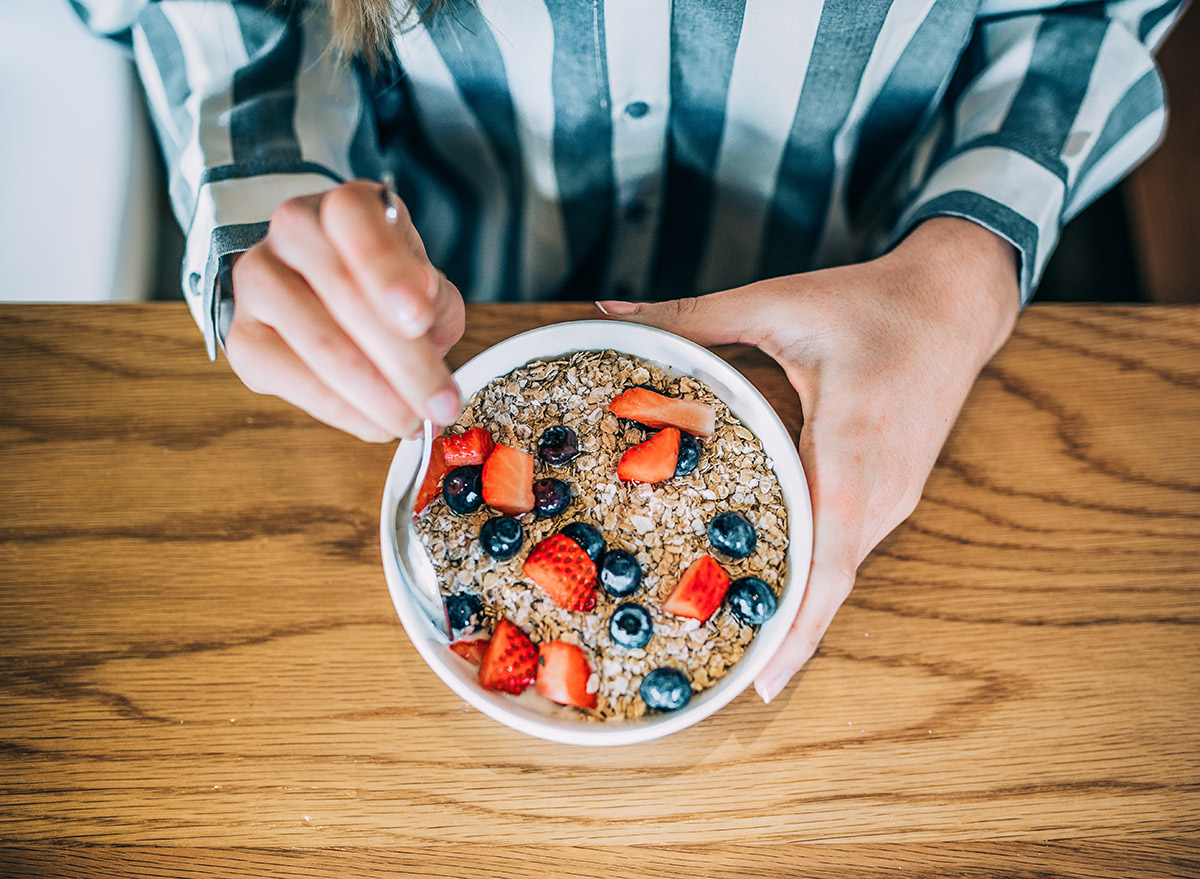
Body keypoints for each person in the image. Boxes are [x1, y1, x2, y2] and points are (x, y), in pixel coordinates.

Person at [79, 0, 1183, 704]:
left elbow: (1085, 18)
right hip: (448, 293)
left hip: (852, 295)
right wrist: (280, 201)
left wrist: (965, 268)